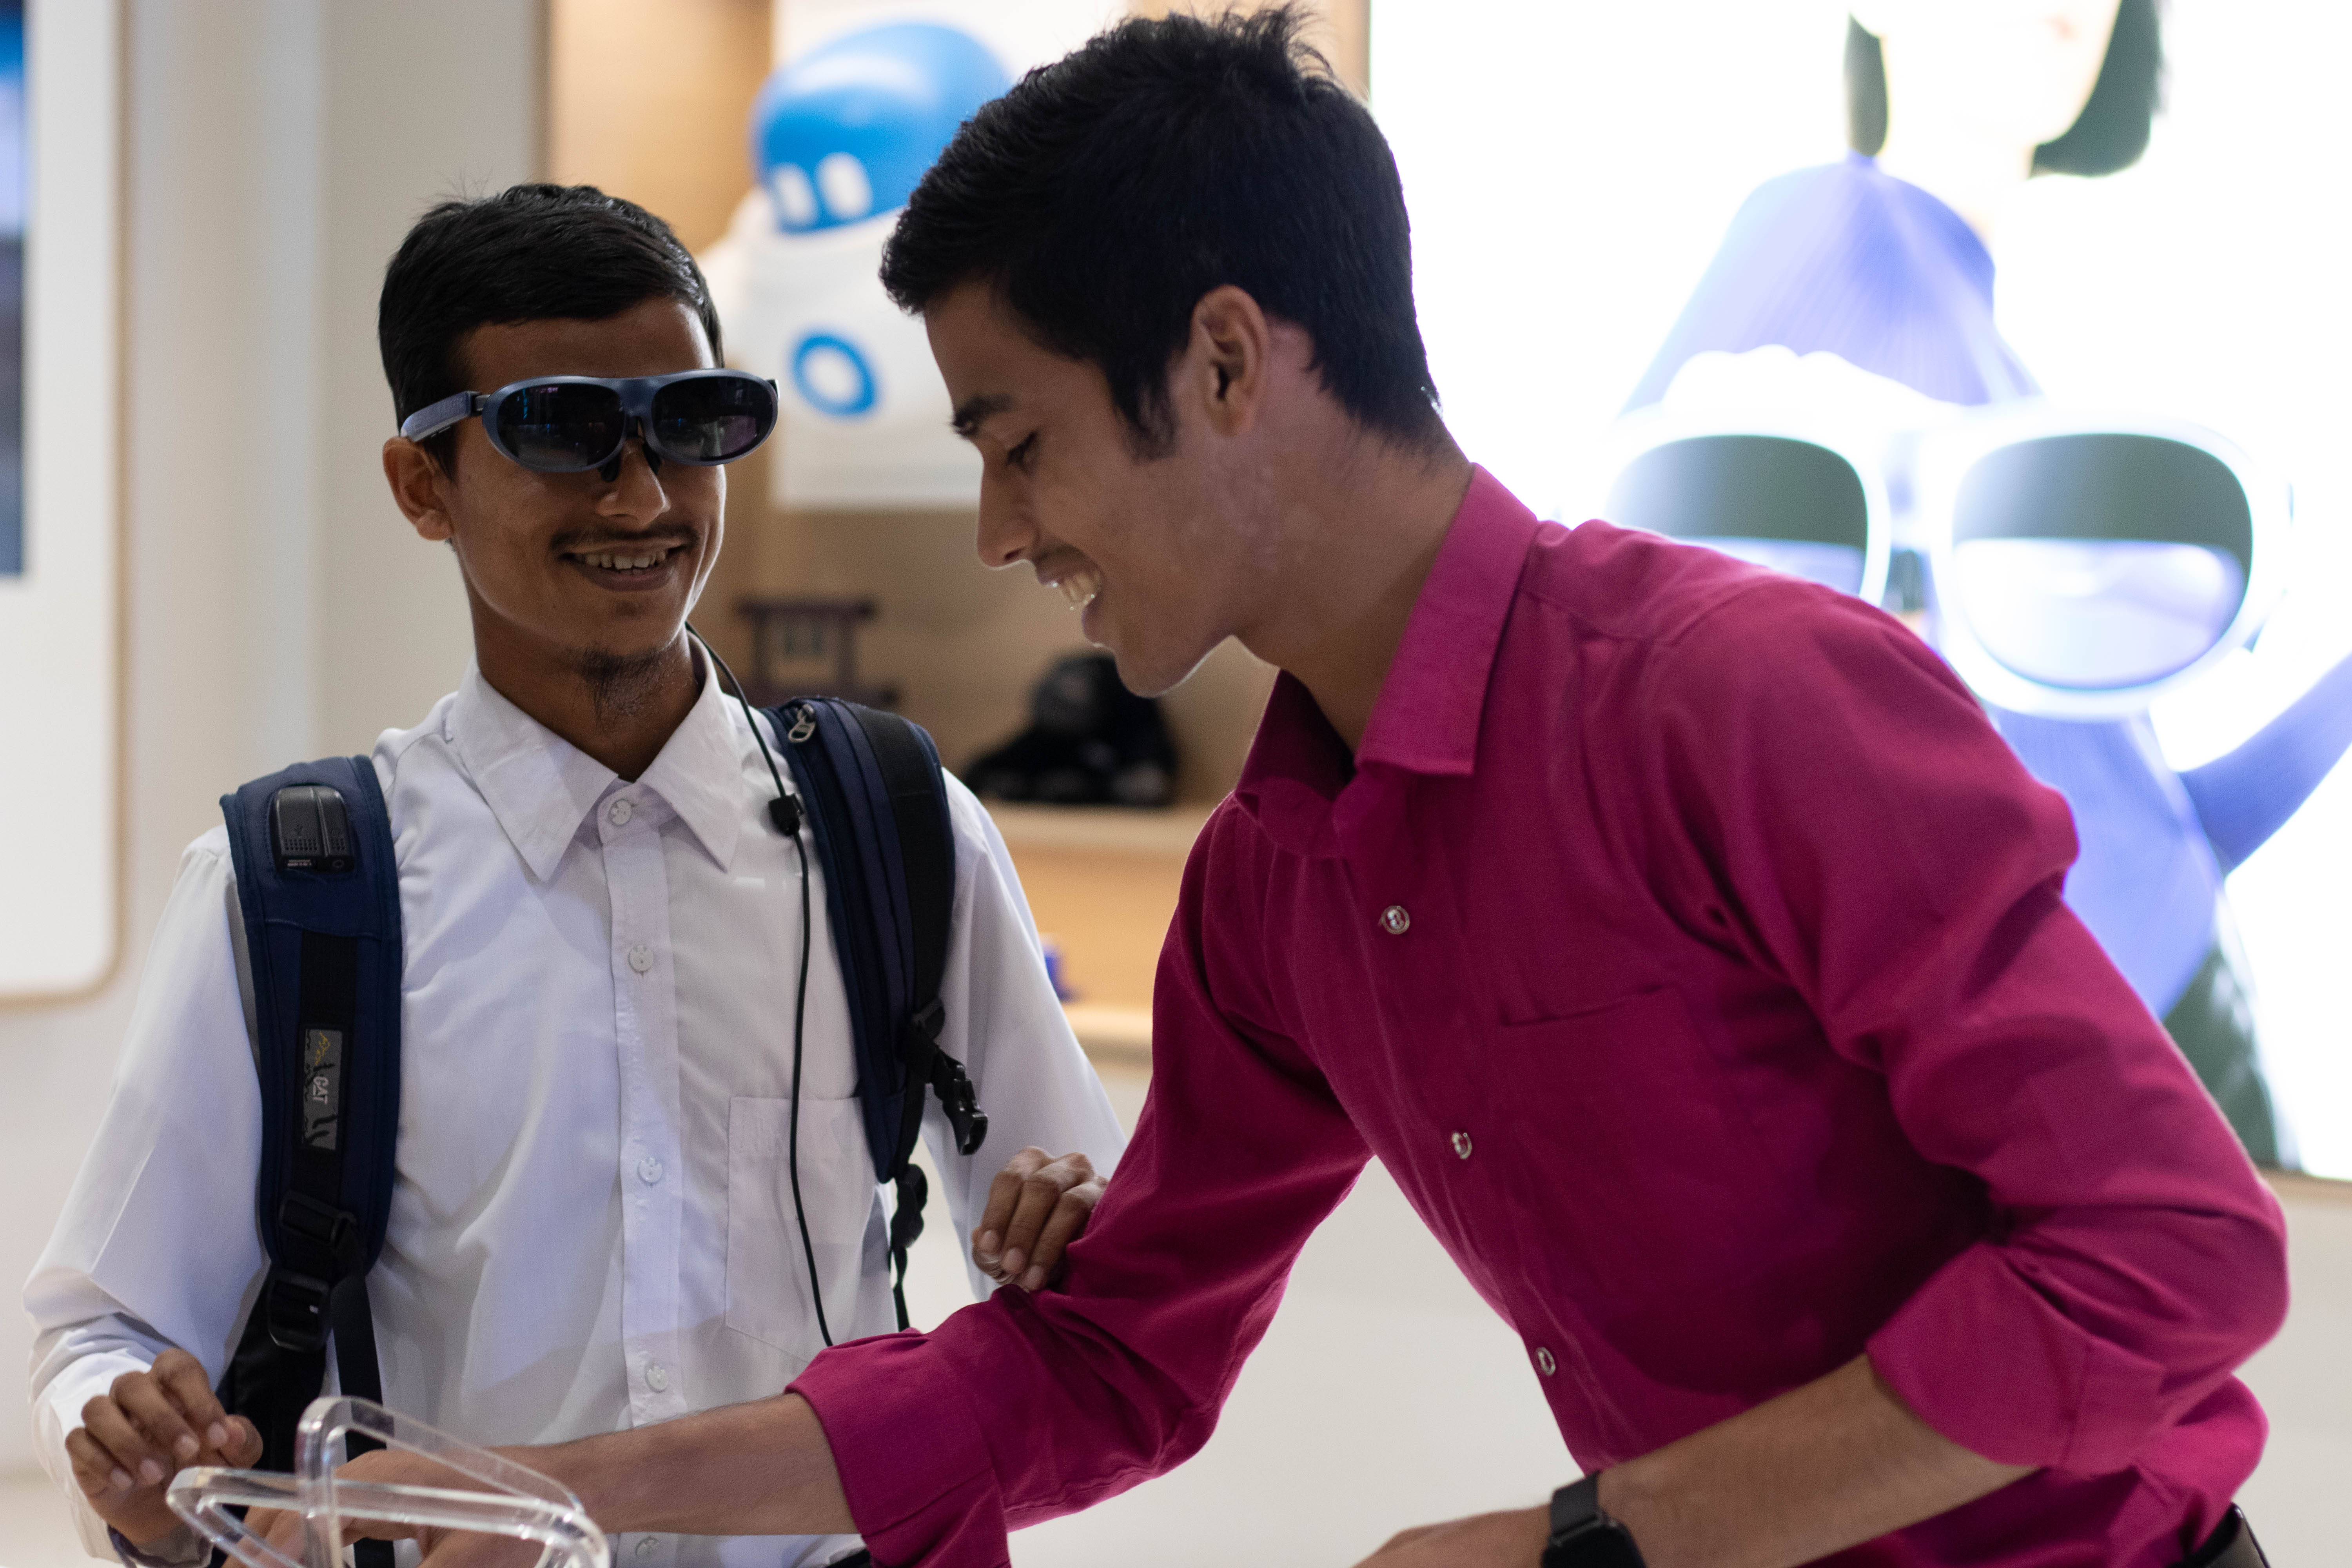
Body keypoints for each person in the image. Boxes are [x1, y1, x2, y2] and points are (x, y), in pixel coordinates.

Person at [297, 16, 2286, 1568]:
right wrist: (561, 1490)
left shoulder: (1741, 696)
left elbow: (2176, 1254)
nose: (999, 531)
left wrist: (1590, 1543)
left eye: (1020, 442)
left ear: (1228, 364)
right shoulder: (1272, 885)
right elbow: (1110, 1356)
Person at [26, 183, 1125, 1568]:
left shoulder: (896, 827)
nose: (645, 495)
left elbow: (1096, 1258)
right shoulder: (293, 892)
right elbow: (108, 1330)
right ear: (422, 485)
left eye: (694, 422)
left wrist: (1078, 1223)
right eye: (562, 429)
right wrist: (130, 1453)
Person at [1626, 0, 2352, 1167]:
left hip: (2184, 1044)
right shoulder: (1824, 231)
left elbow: (2141, 834)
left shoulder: (1996, 367)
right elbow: (1618, 602)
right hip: (2084, 1086)